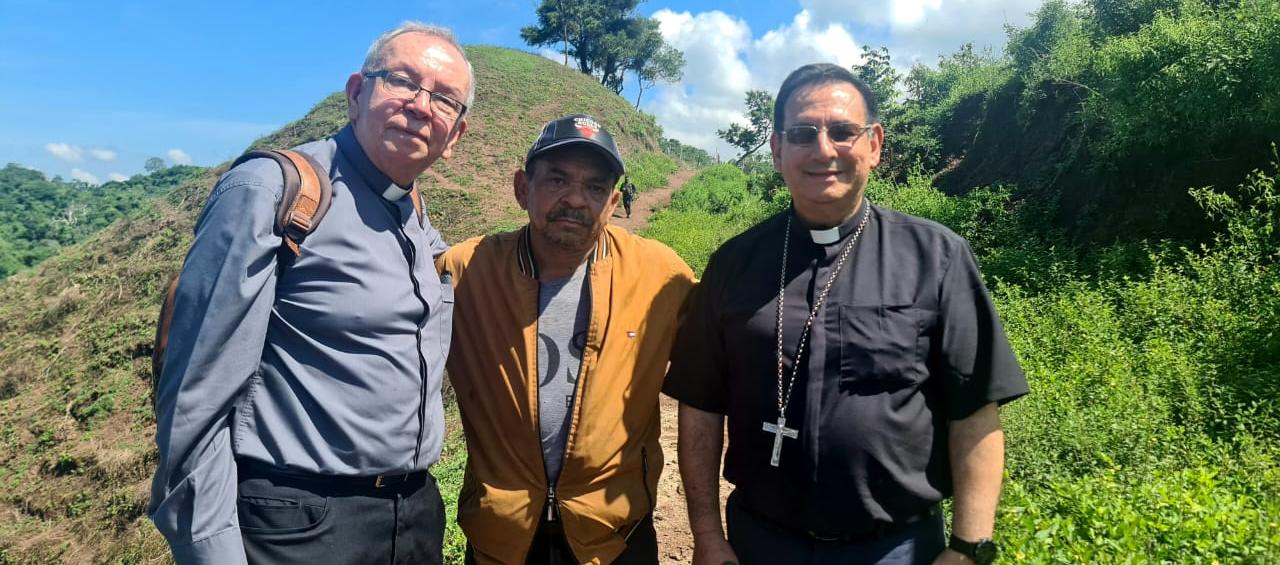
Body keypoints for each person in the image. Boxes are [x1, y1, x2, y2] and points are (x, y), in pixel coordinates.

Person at [665, 63, 1029, 565]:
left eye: (842, 131)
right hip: (760, 542)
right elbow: (701, 407)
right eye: (802, 134)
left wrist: (969, 547)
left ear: (874, 144)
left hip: (896, 548)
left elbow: (975, 408)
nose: (823, 150)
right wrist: (706, 534)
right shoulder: (733, 263)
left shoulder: (937, 258)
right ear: (776, 150)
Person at [149, 21, 474, 565]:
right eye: (402, 81)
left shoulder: (415, 217)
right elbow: (193, 398)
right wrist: (211, 551)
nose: (421, 105)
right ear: (355, 93)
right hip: (300, 524)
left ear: (456, 136)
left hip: (411, 516)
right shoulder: (275, 192)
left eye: (444, 99)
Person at [438, 114, 695, 565]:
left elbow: (722, 359)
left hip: (615, 535)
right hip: (502, 535)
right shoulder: (465, 272)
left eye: (595, 188)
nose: (576, 199)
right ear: (522, 187)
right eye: (557, 179)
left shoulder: (660, 275)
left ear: (613, 202)